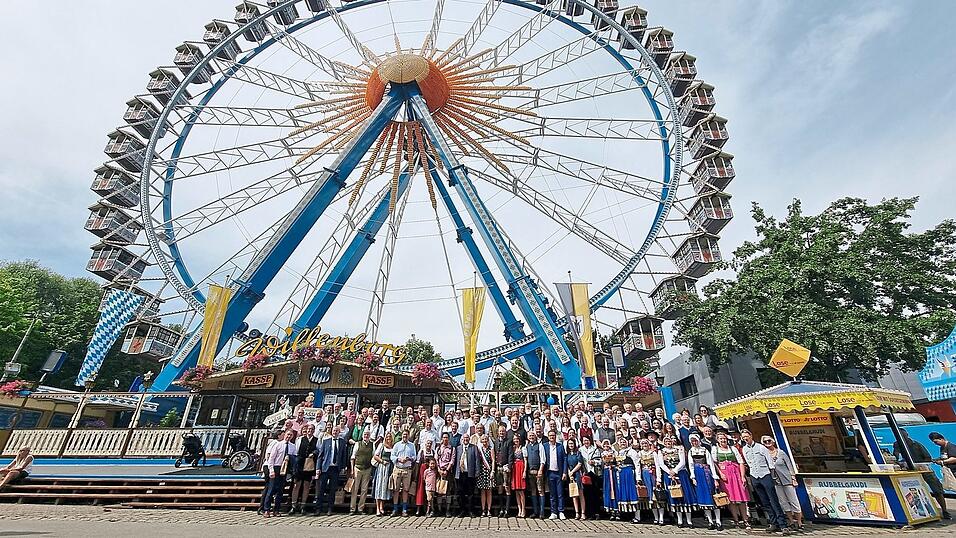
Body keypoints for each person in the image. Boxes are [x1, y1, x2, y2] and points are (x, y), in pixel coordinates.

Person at [741, 430, 788, 534]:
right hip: (754, 476)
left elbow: (770, 463)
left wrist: (771, 476)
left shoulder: (761, 447)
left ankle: (783, 524)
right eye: (743, 437)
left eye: (746, 436)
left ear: (751, 435)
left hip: (765, 474)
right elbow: (748, 463)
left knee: (773, 500)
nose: (745, 438)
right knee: (764, 501)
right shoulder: (744, 449)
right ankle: (773, 523)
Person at [896, 429, 951, 519]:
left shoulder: (916, 445)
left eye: (903, 435)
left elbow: (928, 457)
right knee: (910, 490)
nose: (902, 437)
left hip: (924, 469)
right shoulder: (897, 444)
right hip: (910, 470)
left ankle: (944, 511)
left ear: (907, 435)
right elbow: (896, 455)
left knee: (937, 490)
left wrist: (920, 464)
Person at [713, 431, 750, 529]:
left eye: (724, 438)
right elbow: (715, 462)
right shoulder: (715, 449)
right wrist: (720, 473)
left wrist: (742, 476)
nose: (723, 440)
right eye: (720, 438)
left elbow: (740, 462)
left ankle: (746, 520)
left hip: (735, 472)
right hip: (725, 474)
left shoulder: (732, 448)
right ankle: (736, 520)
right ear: (717, 440)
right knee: (731, 499)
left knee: (742, 498)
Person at [764, 436, 802, 531]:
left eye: (769, 441)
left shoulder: (781, 452)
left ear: (773, 441)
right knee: (783, 502)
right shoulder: (766, 455)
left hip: (787, 479)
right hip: (776, 481)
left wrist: (793, 477)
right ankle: (791, 521)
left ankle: (799, 522)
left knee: (794, 501)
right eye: (765, 442)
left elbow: (789, 465)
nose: (767, 443)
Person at [657, 434, 693, 528]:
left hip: (680, 473)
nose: (668, 443)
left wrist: (675, 470)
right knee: (675, 496)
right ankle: (679, 519)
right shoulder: (661, 452)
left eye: (669, 441)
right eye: (666, 441)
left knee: (685, 495)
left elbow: (682, 462)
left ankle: (689, 520)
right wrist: (669, 472)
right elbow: (661, 464)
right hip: (668, 474)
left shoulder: (679, 449)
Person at [689, 434, 722, 530]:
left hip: (706, 473)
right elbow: (691, 464)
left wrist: (715, 477)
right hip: (698, 475)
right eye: (692, 441)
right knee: (703, 497)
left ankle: (718, 521)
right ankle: (710, 521)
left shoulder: (704, 450)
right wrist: (693, 477)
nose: (694, 443)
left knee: (713, 496)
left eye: (695, 441)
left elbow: (711, 463)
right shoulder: (691, 451)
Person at [263, 429, 297, 518]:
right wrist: (271, 470)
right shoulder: (278, 445)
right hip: (276, 467)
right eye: (288, 434)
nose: (289, 436)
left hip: (284, 469)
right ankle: (266, 509)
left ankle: (276, 509)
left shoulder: (293, 447)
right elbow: (271, 458)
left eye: (291, 435)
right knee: (271, 490)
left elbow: (293, 460)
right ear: (285, 434)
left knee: (280, 491)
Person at [315, 425, 347, 515]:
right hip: (325, 468)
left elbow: (344, 455)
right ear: (331, 431)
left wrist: (343, 467)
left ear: (339, 432)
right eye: (333, 431)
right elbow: (320, 456)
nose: (335, 432)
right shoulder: (325, 441)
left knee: (332, 490)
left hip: (335, 469)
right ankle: (318, 508)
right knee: (321, 489)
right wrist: (318, 468)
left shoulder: (342, 442)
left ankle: (330, 508)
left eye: (336, 431)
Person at [290, 424, 318, 514]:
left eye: (312, 429)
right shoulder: (300, 439)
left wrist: (314, 453)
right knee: (296, 485)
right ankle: (294, 505)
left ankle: (303, 505)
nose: (310, 430)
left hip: (309, 464)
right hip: (300, 464)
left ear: (314, 430)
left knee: (306, 485)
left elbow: (318, 450)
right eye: (309, 429)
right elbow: (296, 452)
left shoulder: (316, 440)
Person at [636, 438, 664, 525]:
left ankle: (661, 517)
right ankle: (656, 517)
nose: (645, 445)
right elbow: (638, 466)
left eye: (646, 444)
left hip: (653, 474)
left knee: (658, 496)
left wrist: (659, 479)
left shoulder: (653, 453)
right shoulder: (639, 454)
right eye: (643, 444)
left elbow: (657, 465)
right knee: (650, 497)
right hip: (645, 475)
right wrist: (638, 478)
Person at [349, 428, 376, 515]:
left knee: (364, 490)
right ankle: (352, 508)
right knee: (355, 489)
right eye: (365, 434)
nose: (366, 436)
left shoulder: (373, 445)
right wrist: (352, 469)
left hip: (367, 469)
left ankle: (361, 508)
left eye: (367, 434)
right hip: (357, 468)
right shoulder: (358, 444)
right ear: (362, 435)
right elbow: (353, 457)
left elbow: (374, 456)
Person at [390, 429, 417, 516]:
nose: (405, 436)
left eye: (406, 435)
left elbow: (414, 456)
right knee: (396, 490)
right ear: (402, 435)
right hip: (398, 469)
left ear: (408, 436)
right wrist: (398, 459)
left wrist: (408, 458)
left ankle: (404, 510)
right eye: (404, 435)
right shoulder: (397, 445)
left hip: (407, 470)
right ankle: (395, 509)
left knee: (406, 490)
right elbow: (392, 456)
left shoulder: (412, 445)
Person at [614, 435, 640, 522]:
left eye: (624, 442)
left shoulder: (631, 452)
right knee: (624, 494)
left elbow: (637, 464)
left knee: (632, 493)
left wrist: (638, 477)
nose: (622, 443)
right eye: (621, 442)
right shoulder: (618, 453)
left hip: (629, 473)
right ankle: (626, 514)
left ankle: (637, 516)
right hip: (621, 474)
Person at [543, 429, 567, 520]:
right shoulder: (545, 446)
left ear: (555, 436)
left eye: (553, 435)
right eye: (550, 436)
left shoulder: (560, 446)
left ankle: (561, 511)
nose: (552, 437)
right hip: (550, 473)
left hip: (559, 473)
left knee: (560, 493)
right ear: (548, 437)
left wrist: (564, 472)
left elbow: (565, 459)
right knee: (552, 494)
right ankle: (553, 512)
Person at [456, 433, 479, 517]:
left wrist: (477, 472)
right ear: (462, 439)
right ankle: (462, 510)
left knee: (470, 493)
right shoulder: (458, 448)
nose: (465, 439)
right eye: (464, 438)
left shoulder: (474, 447)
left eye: (467, 438)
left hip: (470, 473)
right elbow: (455, 461)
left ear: (469, 439)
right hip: (460, 474)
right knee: (461, 493)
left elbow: (477, 460)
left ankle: (471, 511)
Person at [525, 430, 546, 518]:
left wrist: (541, 470)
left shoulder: (540, 445)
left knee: (540, 491)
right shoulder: (527, 446)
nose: (531, 437)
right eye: (530, 436)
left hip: (538, 471)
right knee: (533, 491)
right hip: (530, 472)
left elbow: (543, 459)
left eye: (533, 436)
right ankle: (535, 511)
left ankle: (542, 512)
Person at [372, 434, 394, 517]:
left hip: (389, 468)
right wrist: (382, 461)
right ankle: (378, 508)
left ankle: (382, 507)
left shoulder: (392, 447)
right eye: (387, 437)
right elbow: (375, 456)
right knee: (379, 487)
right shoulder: (381, 445)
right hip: (382, 467)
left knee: (385, 488)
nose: (388, 438)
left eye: (390, 437)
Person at [565, 437, 586, 520]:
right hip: (571, 475)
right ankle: (577, 512)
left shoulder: (578, 453)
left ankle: (583, 513)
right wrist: (569, 473)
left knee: (581, 494)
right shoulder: (568, 454)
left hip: (577, 474)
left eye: (572, 443)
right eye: (569, 444)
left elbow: (580, 464)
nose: (571, 445)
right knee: (574, 494)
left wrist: (572, 471)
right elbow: (566, 465)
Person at [494, 426, 513, 517]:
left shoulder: (508, 441)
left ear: (505, 432)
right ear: (498, 432)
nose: (501, 433)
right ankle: (501, 509)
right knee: (500, 488)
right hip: (498, 468)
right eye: (500, 431)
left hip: (505, 467)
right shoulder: (496, 441)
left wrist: (509, 466)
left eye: (503, 431)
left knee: (507, 488)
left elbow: (510, 455)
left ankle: (507, 510)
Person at [436, 432, 456, 516]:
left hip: (448, 471)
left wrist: (446, 470)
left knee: (448, 491)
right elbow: (436, 459)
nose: (445, 439)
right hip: (440, 471)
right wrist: (439, 470)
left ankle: (447, 510)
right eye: (444, 437)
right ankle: (440, 509)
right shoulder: (438, 448)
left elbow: (452, 460)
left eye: (447, 437)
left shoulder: (452, 448)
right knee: (439, 491)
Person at [414, 438, 435, 515]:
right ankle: (419, 508)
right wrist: (416, 475)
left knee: (429, 489)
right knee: (421, 489)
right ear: (425, 444)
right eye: (427, 443)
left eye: (430, 443)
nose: (429, 445)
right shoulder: (421, 452)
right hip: (422, 470)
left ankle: (428, 508)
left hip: (431, 471)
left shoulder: (433, 452)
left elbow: (434, 462)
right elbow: (417, 463)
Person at [476, 434, 496, 516]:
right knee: (483, 491)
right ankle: (483, 510)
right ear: (481, 441)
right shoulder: (479, 450)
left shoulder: (491, 449)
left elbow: (493, 460)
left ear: (488, 440)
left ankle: (489, 510)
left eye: (486, 439)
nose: (484, 441)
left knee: (489, 491)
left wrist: (493, 471)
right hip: (481, 472)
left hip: (489, 471)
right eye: (483, 439)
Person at [600, 439, 619, 519]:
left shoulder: (613, 452)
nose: (606, 446)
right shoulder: (602, 453)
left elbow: (615, 461)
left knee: (615, 489)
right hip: (607, 472)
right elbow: (603, 461)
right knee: (608, 489)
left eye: (607, 444)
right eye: (604, 445)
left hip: (613, 471)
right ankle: (610, 510)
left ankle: (617, 510)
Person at [510, 433, 528, 518]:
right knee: (516, 491)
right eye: (514, 439)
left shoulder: (523, 448)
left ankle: (523, 509)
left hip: (521, 467)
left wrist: (524, 471)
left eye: (517, 439)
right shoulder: (513, 448)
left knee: (521, 491)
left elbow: (525, 460)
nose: (515, 441)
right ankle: (519, 509)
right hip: (515, 469)